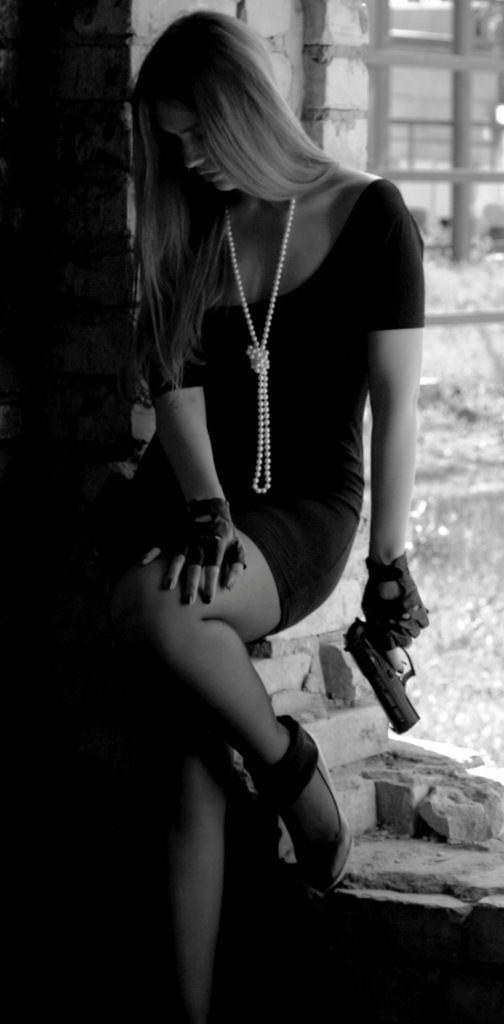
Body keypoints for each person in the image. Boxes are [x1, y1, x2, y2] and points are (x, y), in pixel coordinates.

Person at [108, 10, 429, 1023]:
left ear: (246, 108)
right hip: (195, 492)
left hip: (306, 510)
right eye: (170, 144)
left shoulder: (371, 214)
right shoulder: (194, 220)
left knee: (153, 608)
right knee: (184, 766)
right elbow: (174, 383)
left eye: (197, 134)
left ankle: (293, 774)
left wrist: (388, 564)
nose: (187, 160)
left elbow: (397, 407)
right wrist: (205, 504)